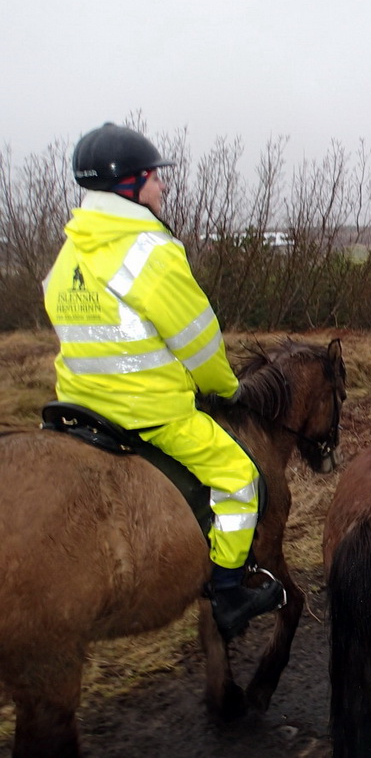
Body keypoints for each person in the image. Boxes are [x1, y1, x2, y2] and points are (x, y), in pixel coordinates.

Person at [43, 122, 283, 639]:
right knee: (241, 479)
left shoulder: (69, 253)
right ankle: (228, 590)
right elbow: (199, 341)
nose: (163, 187)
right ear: (130, 185)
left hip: (76, 408)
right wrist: (225, 387)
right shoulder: (151, 248)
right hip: (148, 414)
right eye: (156, 178)